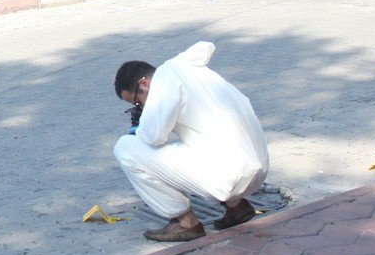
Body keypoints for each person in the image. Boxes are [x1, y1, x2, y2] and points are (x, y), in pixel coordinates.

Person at [113, 41, 269, 242]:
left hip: (229, 178)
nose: (139, 106)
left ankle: (186, 223)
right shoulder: (192, 71)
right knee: (202, 142)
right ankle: (237, 207)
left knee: (125, 148)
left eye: (136, 101)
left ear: (143, 83)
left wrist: (139, 127)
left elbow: (153, 137)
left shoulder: (164, 79)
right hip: (258, 171)